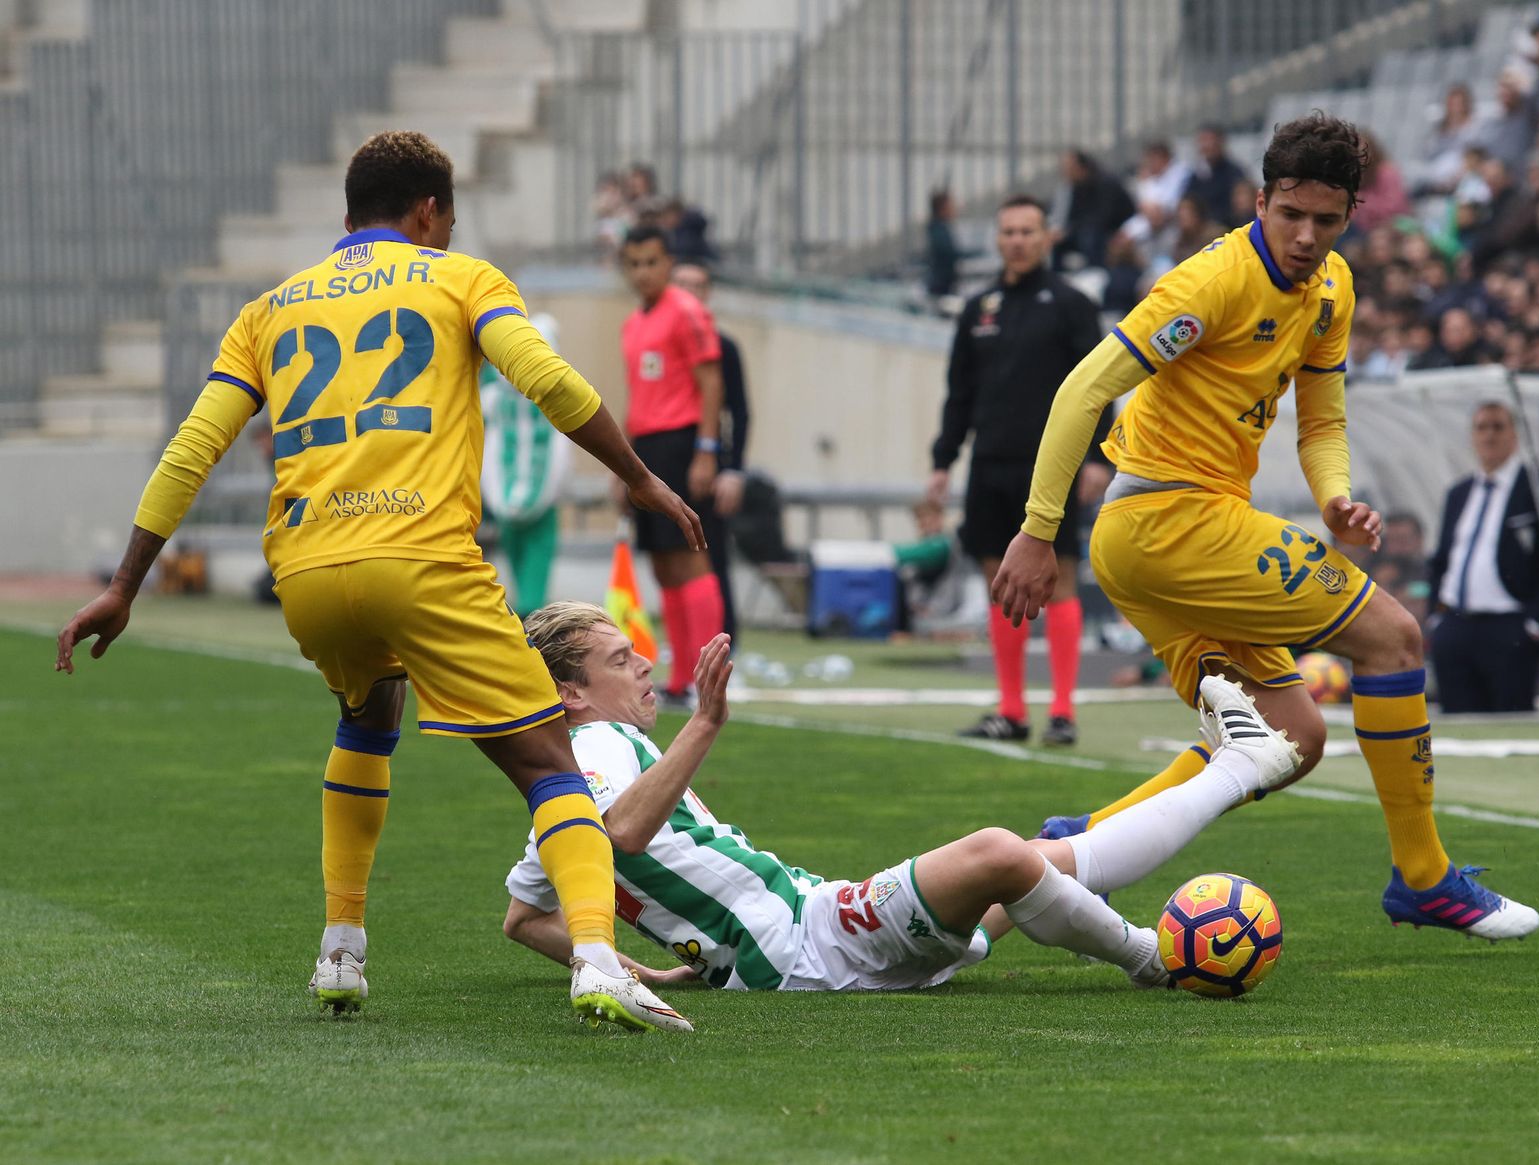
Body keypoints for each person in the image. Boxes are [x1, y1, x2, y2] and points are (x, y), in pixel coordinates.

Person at [54, 131, 701, 1032]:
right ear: (430, 211)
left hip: (310, 570)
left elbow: (192, 447)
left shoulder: (268, 310)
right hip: (423, 558)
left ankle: (341, 950)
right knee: (551, 759)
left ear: (347, 215)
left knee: (368, 715)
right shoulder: (461, 278)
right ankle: (597, 957)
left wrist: (126, 584)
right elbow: (542, 376)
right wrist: (636, 474)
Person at [994, 113, 1539, 941]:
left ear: (1351, 214)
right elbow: (1082, 388)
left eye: (1326, 219)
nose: (1306, 235)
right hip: (1167, 518)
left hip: (1175, 532)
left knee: (1288, 734)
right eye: (1291, 215)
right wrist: (1037, 530)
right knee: (1394, 638)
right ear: (1261, 200)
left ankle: (1075, 849)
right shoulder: (1209, 282)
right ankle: (1424, 878)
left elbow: (1320, 420)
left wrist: (1334, 497)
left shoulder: (1333, 291)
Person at [500, 602, 1304, 993]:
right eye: (617, 658)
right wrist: (706, 721)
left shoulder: (566, 787)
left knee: (1042, 857)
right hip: (805, 951)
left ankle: (1239, 763)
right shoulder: (594, 746)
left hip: (807, 924)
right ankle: (1154, 959)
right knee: (999, 850)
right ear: (571, 693)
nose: (642, 661)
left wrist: (642, 969)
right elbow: (625, 832)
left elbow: (524, 915)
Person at [929, 194, 1108, 745]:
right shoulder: (978, 307)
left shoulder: (1072, 304)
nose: (1018, 240)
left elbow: (1102, 386)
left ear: (1047, 237)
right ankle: (1011, 710)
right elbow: (959, 393)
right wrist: (942, 461)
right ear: (997, 240)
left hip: (1051, 471)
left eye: (1028, 231)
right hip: (990, 464)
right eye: (1008, 232)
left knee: (1060, 581)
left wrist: (1099, 458)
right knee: (998, 582)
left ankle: (1062, 711)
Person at [618, 225, 726, 702]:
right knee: (663, 564)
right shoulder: (633, 324)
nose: (644, 272)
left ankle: (710, 674)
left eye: (652, 262)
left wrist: (707, 450)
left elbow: (711, 384)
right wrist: (621, 465)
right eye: (635, 264)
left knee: (690, 556)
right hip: (648, 447)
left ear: (667, 262)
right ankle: (682, 677)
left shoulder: (686, 311)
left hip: (682, 443)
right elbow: (637, 396)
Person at [1427, 401, 1539, 713]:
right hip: (1455, 625)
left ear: (1514, 435)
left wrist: (1535, 624)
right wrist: (1436, 618)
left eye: (1498, 427)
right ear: (1472, 436)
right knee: (1457, 724)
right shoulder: (1460, 492)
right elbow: (1442, 558)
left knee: (1511, 718)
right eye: (1482, 427)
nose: (1489, 436)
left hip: (1510, 627)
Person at [670, 261, 750, 645]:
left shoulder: (723, 346)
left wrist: (732, 469)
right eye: (680, 284)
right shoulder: (657, 335)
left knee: (712, 554)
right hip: (667, 460)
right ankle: (684, 648)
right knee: (670, 556)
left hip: (706, 463)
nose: (687, 293)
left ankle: (724, 643)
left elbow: (739, 410)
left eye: (696, 286)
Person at [480, 310, 570, 617]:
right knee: (524, 575)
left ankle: (531, 623)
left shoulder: (501, 395)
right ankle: (531, 623)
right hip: (517, 497)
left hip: (528, 498)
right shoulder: (499, 397)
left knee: (528, 581)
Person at [1049, 150, 1136, 270]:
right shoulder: (1076, 186)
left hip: (1115, 228)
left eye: (1069, 168)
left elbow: (1104, 217)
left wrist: (1071, 230)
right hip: (1087, 228)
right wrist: (1064, 232)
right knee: (1057, 242)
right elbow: (1075, 216)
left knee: (1090, 237)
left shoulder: (1105, 182)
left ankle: (1096, 273)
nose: (1065, 172)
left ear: (1080, 167)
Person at [1183, 124, 1249, 228]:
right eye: (1203, 141)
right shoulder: (1196, 175)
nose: (1207, 145)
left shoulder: (1234, 173)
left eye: (1210, 140)